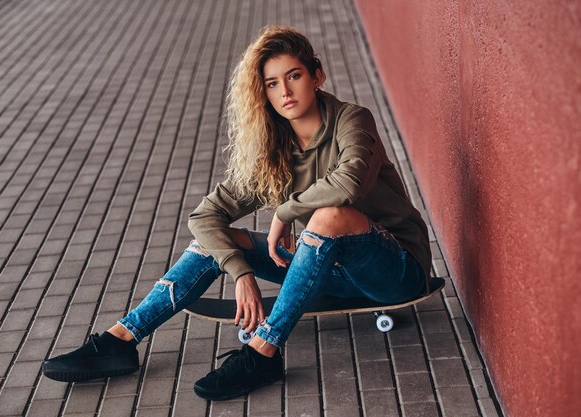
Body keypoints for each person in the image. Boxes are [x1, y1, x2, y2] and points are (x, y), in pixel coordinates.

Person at [42, 25, 432, 401]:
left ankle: (264, 351)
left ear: (317, 76)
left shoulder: (353, 120)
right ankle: (121, 340)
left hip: (395, 271)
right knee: (216, 240)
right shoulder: (277, 149)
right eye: (272, 83)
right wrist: (240, 271)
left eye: (294, 76)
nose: (285, 91)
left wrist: (284, 211)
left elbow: (349, 184)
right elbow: (204, 216)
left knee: (329, 215)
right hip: (327, 272)